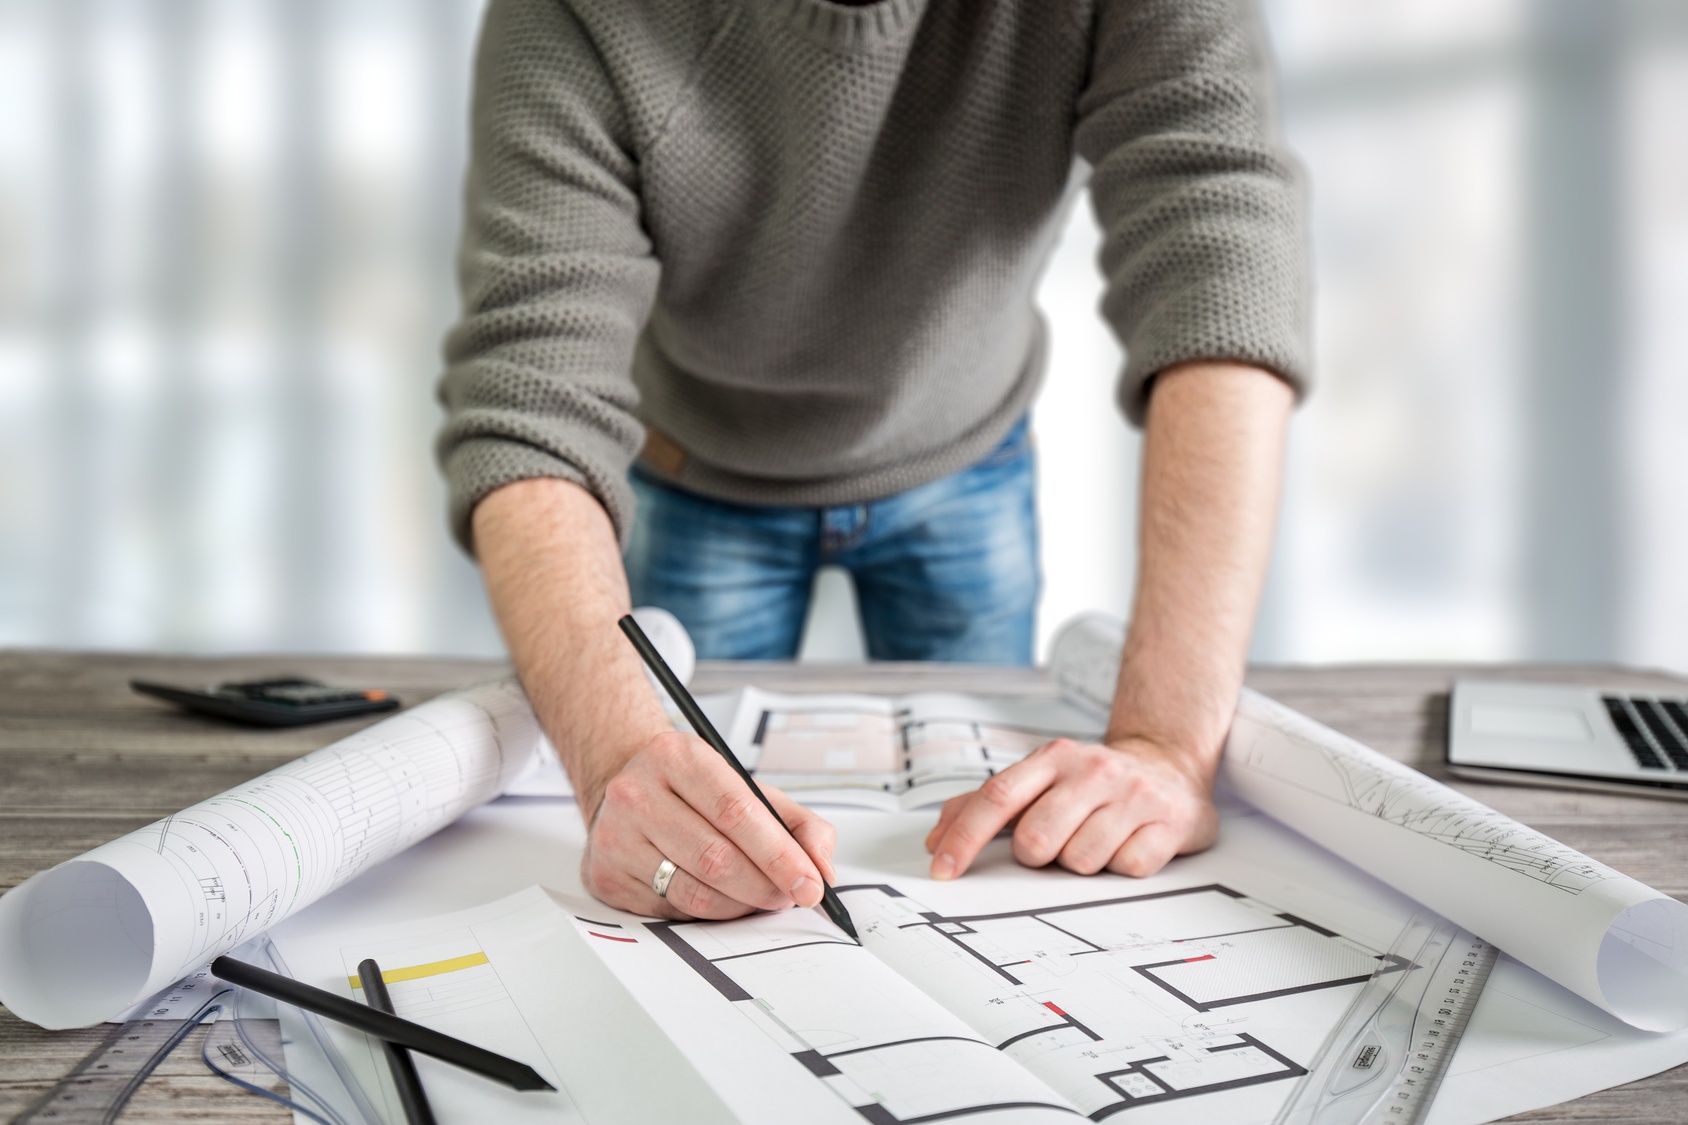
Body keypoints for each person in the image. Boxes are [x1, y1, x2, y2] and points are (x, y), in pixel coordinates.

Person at [437, 0, 1307, 922]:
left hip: (966, 452)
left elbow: (1224, 269)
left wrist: (1166, 744)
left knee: (1000, 841)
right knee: (690, 826)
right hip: (702, 465)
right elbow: (531, 398)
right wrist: (615, 760)